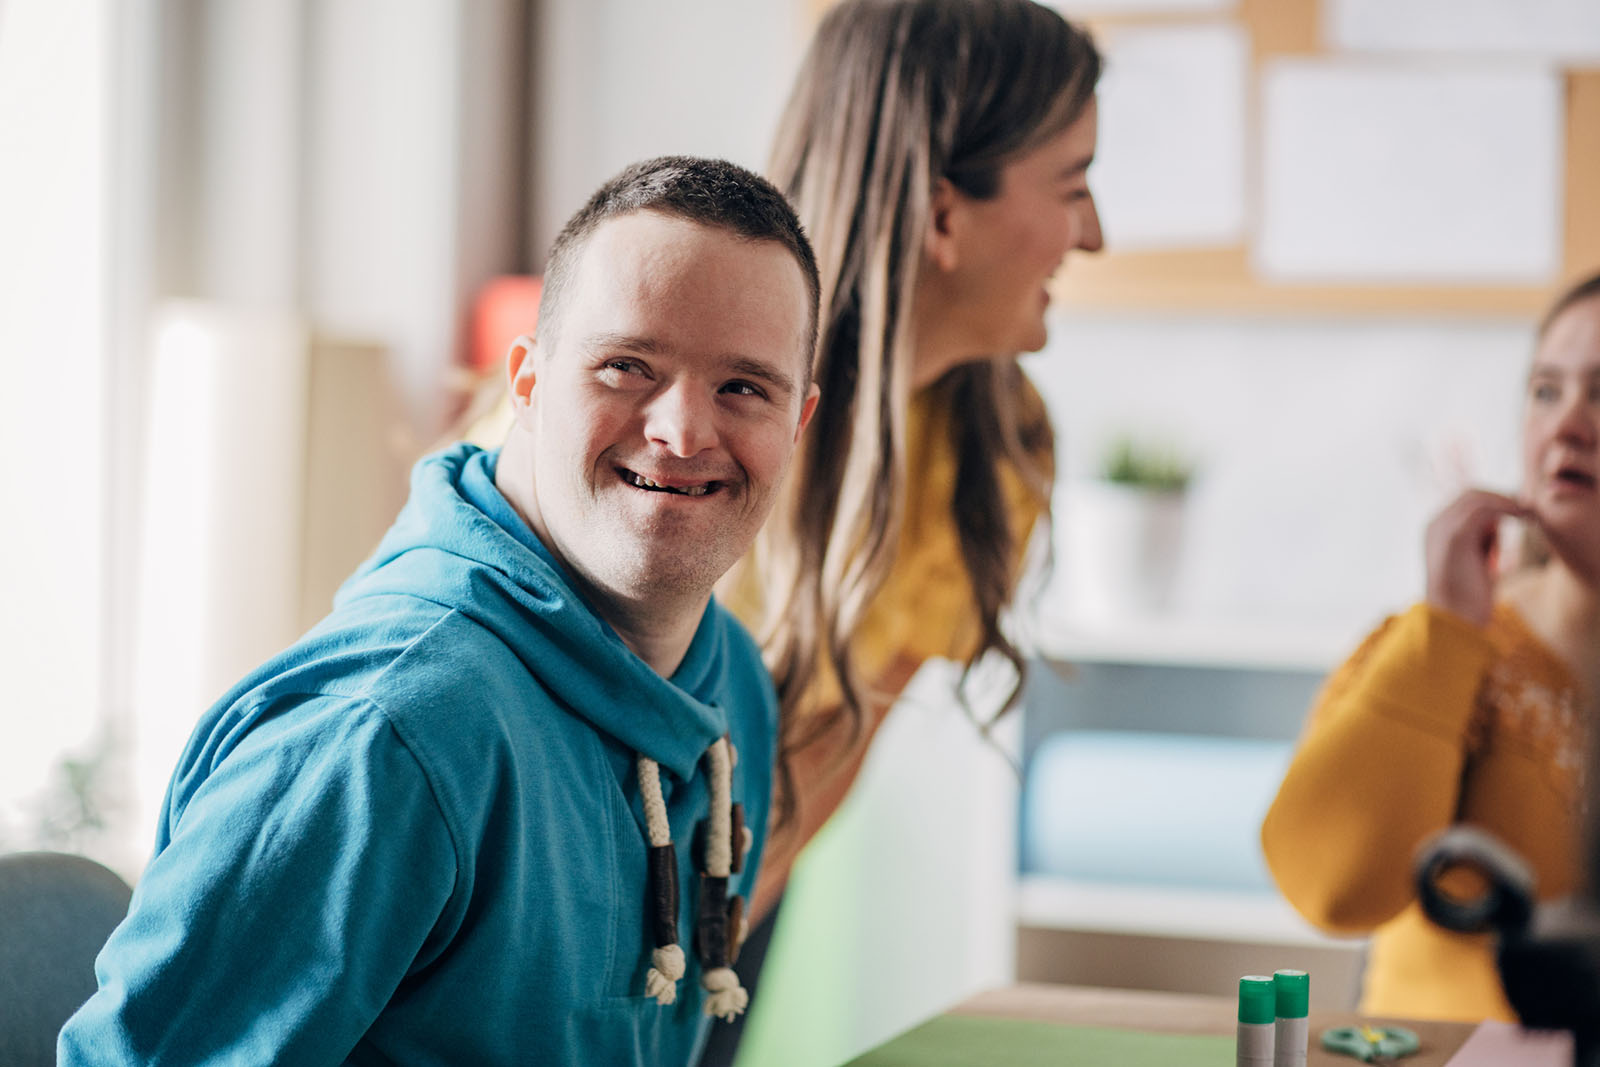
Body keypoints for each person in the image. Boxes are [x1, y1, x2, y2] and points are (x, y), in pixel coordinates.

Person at [59, 156, 822, 1066]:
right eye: (627, 365)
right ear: (527, 384)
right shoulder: (382, 735)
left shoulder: (730, 681)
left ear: (798, 420)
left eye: (744, 387)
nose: (683, 431)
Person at [699, 1, 1104, 1059]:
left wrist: (695, 961)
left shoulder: (996, 449)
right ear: (941, 214)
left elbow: (831, 749)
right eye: (1070, 186)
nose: (1094, 233)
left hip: (718, 901)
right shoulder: (664, 398)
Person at [1261, 270, 1600, 1023]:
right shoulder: (1453, 642)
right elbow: (1327, 887)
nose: (1568, 425)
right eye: (1547, 391)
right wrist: (1448, 633)